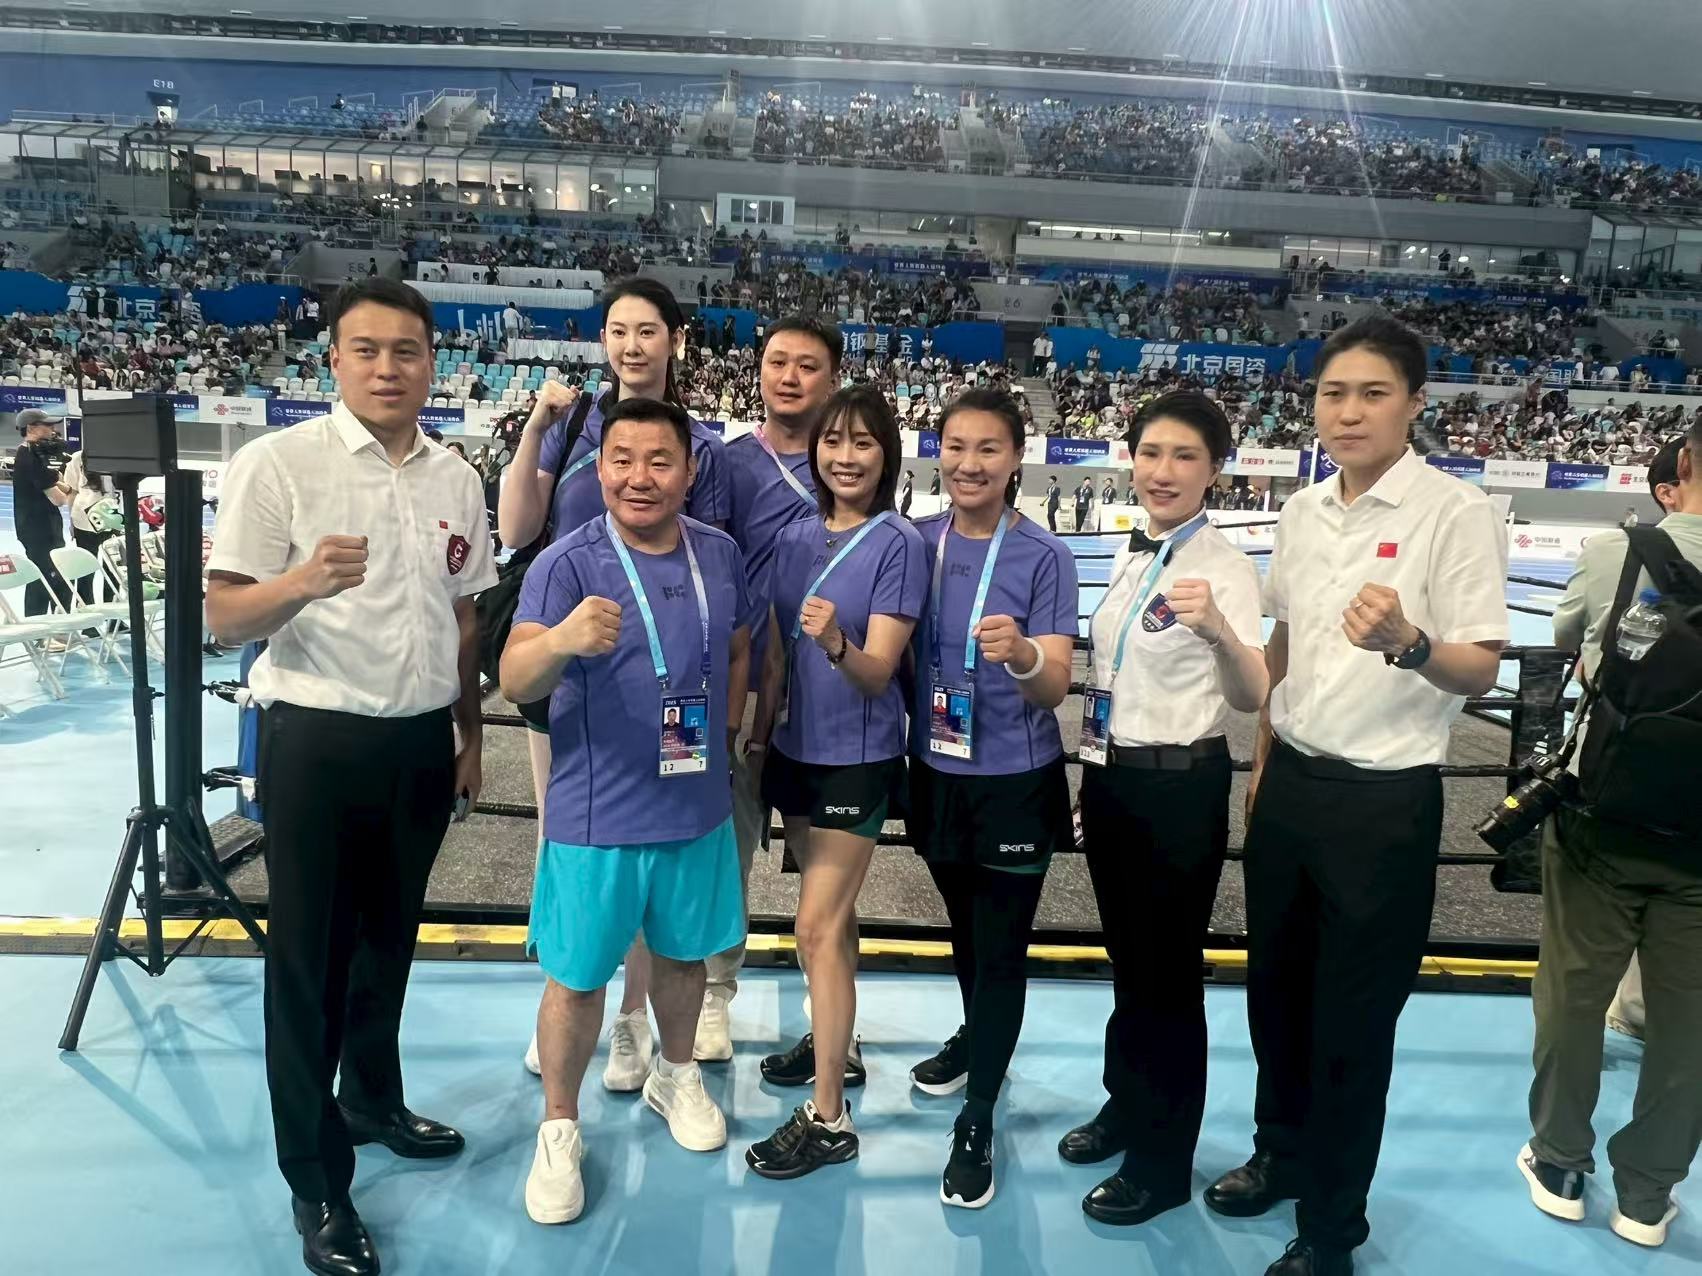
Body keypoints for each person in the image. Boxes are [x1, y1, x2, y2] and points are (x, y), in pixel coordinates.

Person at [205, 278, 496, 1276]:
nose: (386, 368)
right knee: (309, 966)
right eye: (365, 350)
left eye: (405, 351)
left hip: (418, 743)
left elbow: (464, 617)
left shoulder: (456, 476)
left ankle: (371, 1097)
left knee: (388, 944)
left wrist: (468, 733)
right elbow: (222, 617)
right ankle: (317, 1180)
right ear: (333, 360)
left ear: (432, 364)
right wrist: (300, 583)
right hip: (317, 742)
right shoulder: (278, 463)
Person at [1211, 315, 1508, 1276]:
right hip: (1292, 785)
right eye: (1333, 393)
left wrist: (1410, 644)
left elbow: (1481, 668)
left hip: (1385, 802)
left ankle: (1333, 1226)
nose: (1348, 412)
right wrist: (1263, 764)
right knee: (1275, 996)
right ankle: (1280, 1154)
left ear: (1414, 403)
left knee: (1352, 1023)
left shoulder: (1456, 512)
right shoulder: (1302, 511)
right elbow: (1286, 647)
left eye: (1373, 393)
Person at [500, 397, 757, 1225]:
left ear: (689, 470)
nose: (639, 477)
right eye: (622, 459)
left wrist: (728, 735)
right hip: (596, 815)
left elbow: (740, 648)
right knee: (577, 981)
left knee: (683, 960)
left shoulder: (719, 553)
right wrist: (560, 640)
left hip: (694, 807)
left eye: (659, 461)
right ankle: (559, 1127)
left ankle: (675, 1076)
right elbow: (514, 677)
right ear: (601, 466)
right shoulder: (566, 563)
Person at [500, 277, 730, 1087]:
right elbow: (515, 529)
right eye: (618, 330)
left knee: (661, 864)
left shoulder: (701, 447)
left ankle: (633, 1020)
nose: (632, 345)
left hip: (666, 691)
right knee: (570, 845)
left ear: (675, 340)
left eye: (647, 330)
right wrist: (538, 426)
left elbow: (709, 571)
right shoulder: (572, 428)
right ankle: (574, 994)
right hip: (571, 665)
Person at [1061, 391, 1268, 1226]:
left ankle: (1163, 1160)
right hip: (1115, 779)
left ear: (1215, 469)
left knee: (1169, 976)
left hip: (1180, 788)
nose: (1163, 470)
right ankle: (1127, 1104)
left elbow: (1253, 693)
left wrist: (1218, 628)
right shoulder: (1129, 551)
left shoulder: (1227, 568)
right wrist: (1092, 774)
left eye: (1185, 455)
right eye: (1151, 453)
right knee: (1129, 964)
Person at [1517, 417, 1702, 1250]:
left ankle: (1560, 1162)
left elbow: (1569, 643)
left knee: (1573, 995)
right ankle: (1648, 1196)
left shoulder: (1616, 553)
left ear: (1682, 463)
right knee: (1689, 1024)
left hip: (1604, 818)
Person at [744, 386, 927, 1179]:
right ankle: (835, 1045)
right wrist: (761, 739)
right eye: (833, 442)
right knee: (834, 920)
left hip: (859, 753)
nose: (845, 458)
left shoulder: (899, 543)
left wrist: (837, 643)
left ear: (886, 456)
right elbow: (775, 656)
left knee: (814, 928)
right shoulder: (794, 537)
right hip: (796, 749)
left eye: (862, 444)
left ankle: (829, 1119)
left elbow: (879, 671)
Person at [905, 388, 1078, 1207]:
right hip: (936, 772)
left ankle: (977, 1117)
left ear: (1016, 460)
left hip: (1015, 780)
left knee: (1001, 945)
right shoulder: (917, 542)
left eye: (988, 449)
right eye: (956, 446)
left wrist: (1021, 656)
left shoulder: (1045, 556)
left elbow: (1055, 686)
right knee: (965, 933)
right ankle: (980, 1039)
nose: (969, 464)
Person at [705, 315, 844, 1069]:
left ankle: (835, 1025)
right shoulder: (727, 463)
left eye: (808, 365)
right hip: (737, 687)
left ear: (833, 379)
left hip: (823, 690)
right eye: (777, 362)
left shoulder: (849, 464)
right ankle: (714, 994)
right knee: (726, 849)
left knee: (826, 869)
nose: (789, 377)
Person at [9, 408, 71, 622]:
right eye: (48, 425)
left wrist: (63, 486)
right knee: (42, 578)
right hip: (37, 528)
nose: (53, 429)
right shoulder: (29, 456)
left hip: (45, 525)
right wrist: (68, 490)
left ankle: (57, 625)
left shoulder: (34, 453)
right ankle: (36, 627)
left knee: (54, 576)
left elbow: (58, 483)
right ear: (32, 428)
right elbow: (59, 499)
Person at [59, 445, 117, 604]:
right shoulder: (77, 458)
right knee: (86, 569)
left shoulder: (118, 456)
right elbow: (72, 491)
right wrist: (71, 521)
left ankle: (112, 609)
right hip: (84, 520)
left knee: (113, 570)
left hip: (113, 518)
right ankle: (85, 607)